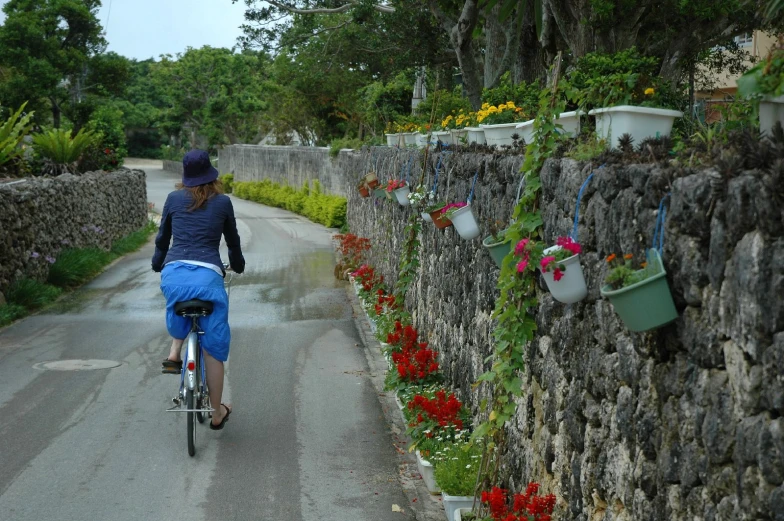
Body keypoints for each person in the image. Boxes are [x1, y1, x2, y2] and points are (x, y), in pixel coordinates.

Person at [151, 149, 245, 430]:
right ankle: (217, 414)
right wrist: (238, 265)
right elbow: (233, 241)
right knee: (213, 349)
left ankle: (175, 351)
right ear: (211, 175)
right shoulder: (223, 202)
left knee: (179, 304)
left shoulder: (173, 199)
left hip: (174, 273)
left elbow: (162, 238)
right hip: (208, 276)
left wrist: (158, 264)